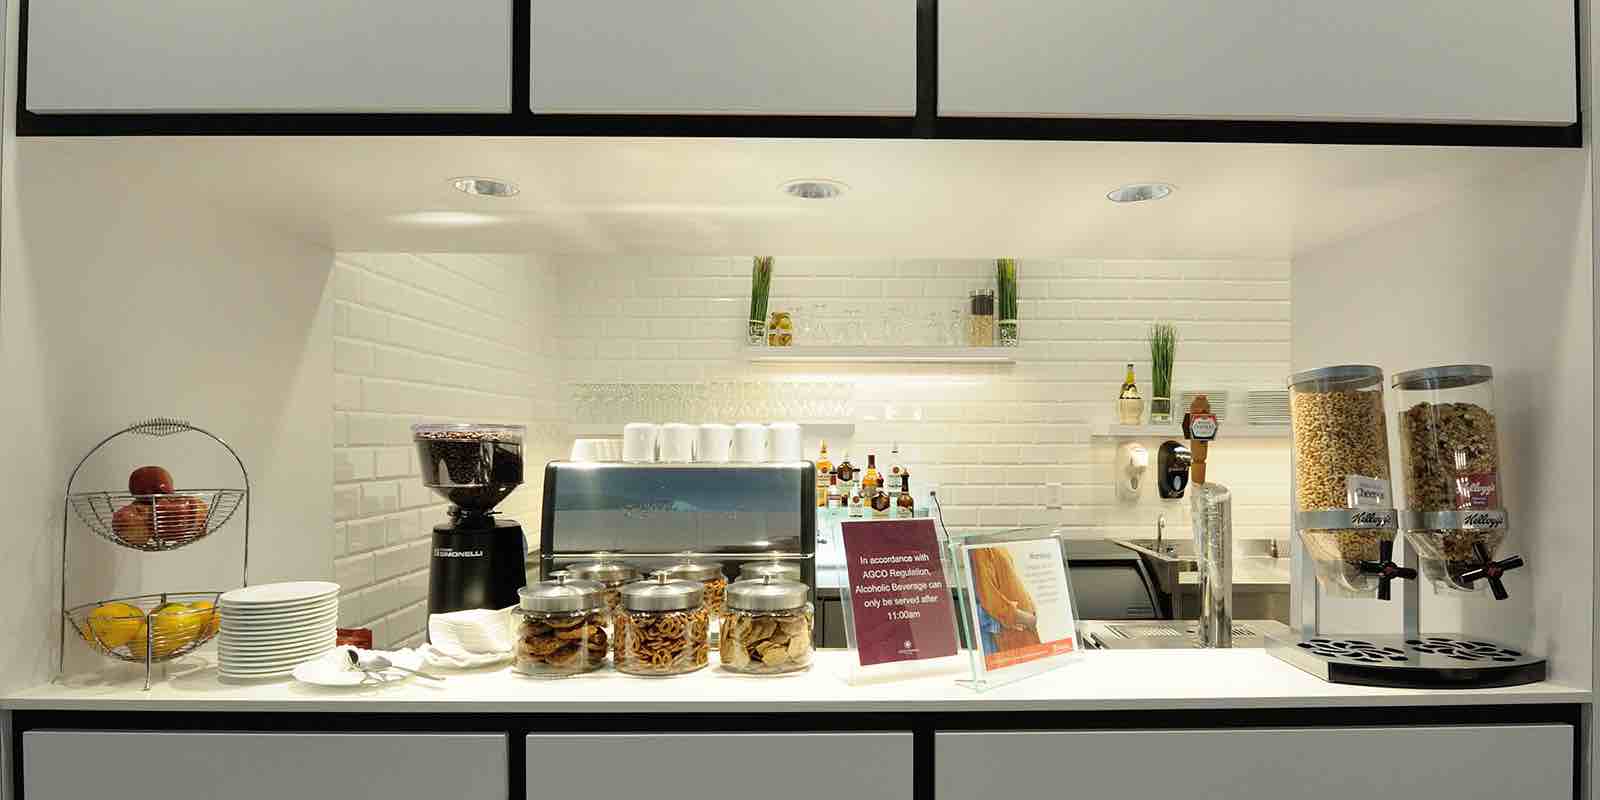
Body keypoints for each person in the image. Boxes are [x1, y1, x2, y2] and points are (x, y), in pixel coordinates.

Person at [969, 546, 1040, 655]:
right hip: (1009, 631)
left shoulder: (996, 546)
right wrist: (1025, 618)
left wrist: (1030, 608)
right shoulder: (980, 550)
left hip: (1022, 630)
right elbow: (990, 597)